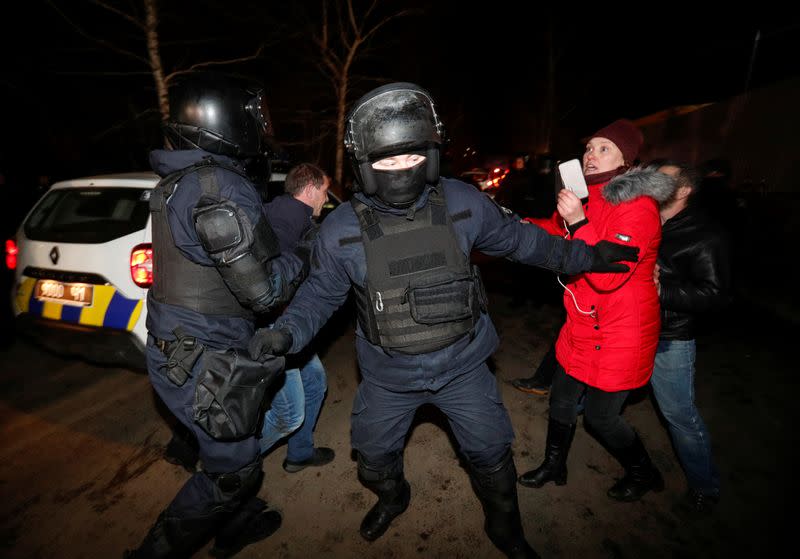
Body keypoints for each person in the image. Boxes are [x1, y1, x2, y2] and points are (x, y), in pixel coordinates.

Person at [246, 83, 640, 558]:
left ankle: (505, 526)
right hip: (388, 377)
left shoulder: (462, 203)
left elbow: (530, 244)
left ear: (430, 156)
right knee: (371, 462)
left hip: (463, 366)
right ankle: (394, 497)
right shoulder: (340, 229)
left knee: (492, 456)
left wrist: (590, 256)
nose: (399, 170)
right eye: (386, 161)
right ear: (363, 167)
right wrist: (285, 333)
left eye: (410, 157)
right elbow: (319, 297)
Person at [125, 74, 307, 559]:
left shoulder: (178, 181)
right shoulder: (218, 186)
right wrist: (305, 255)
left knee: (232, 440)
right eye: (252, 117)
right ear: (225, 122)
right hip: (204, 358)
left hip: (181, 350)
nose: (258, 126)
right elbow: (264, 291)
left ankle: (235, 529)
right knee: (233, 471)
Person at [517, 119, 676, 502]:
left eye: (604, 148)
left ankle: (644, 472)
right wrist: (514, 226)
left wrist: (579, 220)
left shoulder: (638, 206)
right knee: (561, 400)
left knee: (603, 418)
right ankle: (555, 466)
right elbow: (555, 233)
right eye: (589, 147)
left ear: (627, 159)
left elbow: (608, 276)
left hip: (622, 330)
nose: (591, 154)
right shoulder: (587, 195)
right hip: (583, 322)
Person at [652, 161, 730, 512]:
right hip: (631, 328)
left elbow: (713, 295)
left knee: (679, 415)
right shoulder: (647, 220)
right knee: (596, 389)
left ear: (684, 190)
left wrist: (660, 290)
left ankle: (705, 487)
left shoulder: (705, 234)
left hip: (670, 338)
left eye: (663, 179)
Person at [258, 162, 335, 472]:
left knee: (315, 380)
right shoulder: (286, 220)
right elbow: (270, 279)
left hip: (287, 321)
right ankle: (229, 468)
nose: (327, 199)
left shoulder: (290, 213)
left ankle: (300, 453)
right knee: (289, 414)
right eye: (325, 192)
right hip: (275, 326)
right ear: (310, 189)